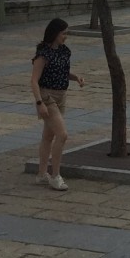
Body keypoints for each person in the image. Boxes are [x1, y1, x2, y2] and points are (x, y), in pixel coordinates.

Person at [30, 17, 84, 192]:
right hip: (47, 96)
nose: (66, 36)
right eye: (63, 33)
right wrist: (40, 103)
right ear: (55, 33)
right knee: (62, 135)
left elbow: (62, 71)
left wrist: (75, 78)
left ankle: (41, 173)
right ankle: (55, 175)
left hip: (62, 95)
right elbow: (34, 80)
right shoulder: (43, 54)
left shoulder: (64, 51)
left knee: (48, 136)